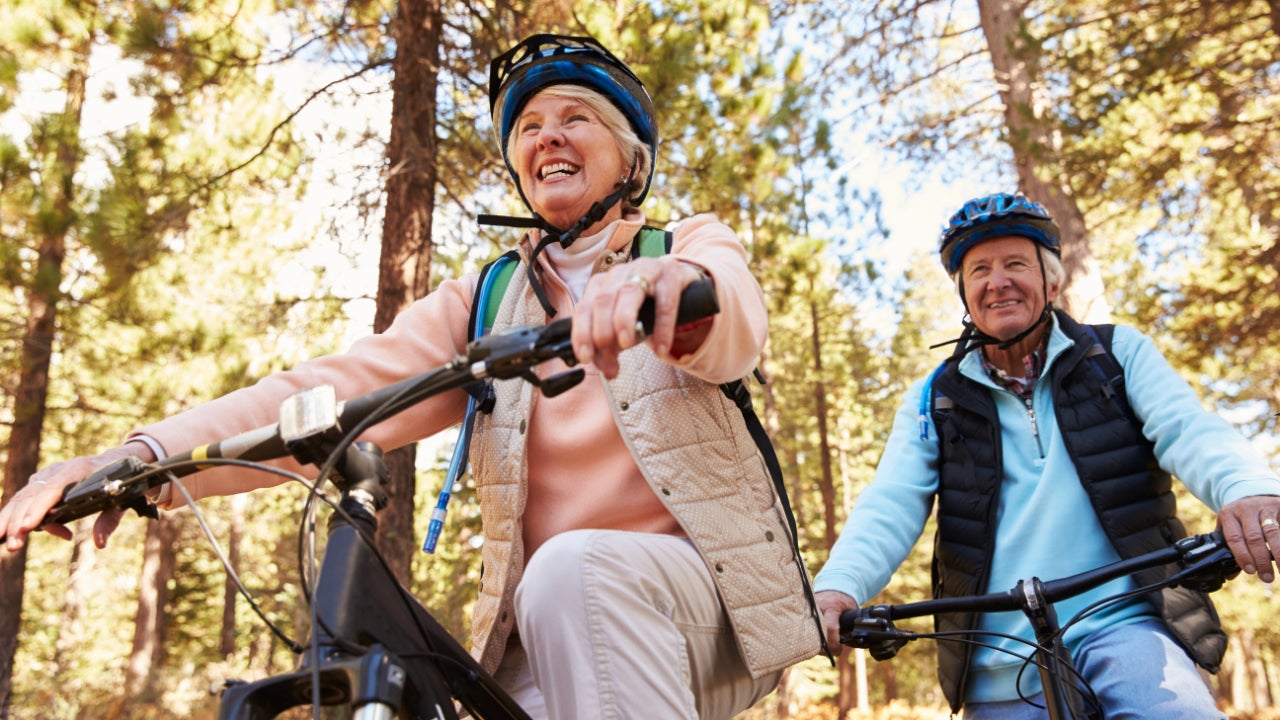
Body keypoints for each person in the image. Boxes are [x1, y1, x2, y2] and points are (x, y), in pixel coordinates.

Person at [1, 33, 826, 719]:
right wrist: (140, 458)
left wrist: (666, 291)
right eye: (530, 127)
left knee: (576, 571)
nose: (548, 136)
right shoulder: (487, 301)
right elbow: (324, 392)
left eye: (577, 118)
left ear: (630, 160)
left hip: (710, 612)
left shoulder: (680, 246)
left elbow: (735, 326)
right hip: (554, 630)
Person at [813, 192, 1280, 719]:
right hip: (999, 654)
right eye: (979, 270)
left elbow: (1188, 430)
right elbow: (891, 501)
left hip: (1127, 625)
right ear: (964, 294)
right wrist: (839, 588)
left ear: (1052, 281)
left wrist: (1246, 489)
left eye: (1016, 264)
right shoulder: (934, 398)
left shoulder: (1116, 355)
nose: (997, 281)